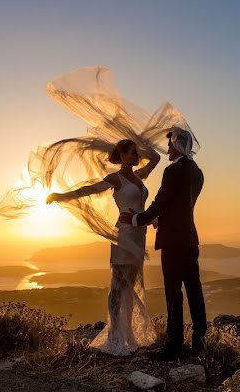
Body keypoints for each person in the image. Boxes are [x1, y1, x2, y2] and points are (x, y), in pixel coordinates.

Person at [47, 139, 161, 355]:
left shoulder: (139, 176)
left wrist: (136, 138)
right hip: (124, 234)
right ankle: (114, 336)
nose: (138, 156)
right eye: (133, 153)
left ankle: (128, 335)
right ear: (123, 156)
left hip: (139, 234)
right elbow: (90, 190)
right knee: (118, 286)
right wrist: (61, 196)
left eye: (137, 153)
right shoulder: (115, 179)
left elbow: (156, 157)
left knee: (131, 285)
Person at [119, 127, 206, 360]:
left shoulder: (173, 172)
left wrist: (136, 219)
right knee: (194, 290)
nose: (167, 149)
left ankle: (174, 346)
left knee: (173, 293)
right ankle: (200, 342)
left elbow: (161, 202)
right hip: (189, 239)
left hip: (173, 242)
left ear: (178, 146)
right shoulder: (197, 172)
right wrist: (159, 218)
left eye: (170, 145)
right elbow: (179, 206)